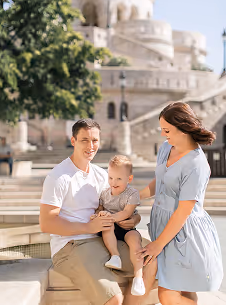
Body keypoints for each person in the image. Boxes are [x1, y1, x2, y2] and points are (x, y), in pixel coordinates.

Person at [40, 118, 157, 305]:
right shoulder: (58, 176)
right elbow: (47, 223)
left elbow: (119, 206)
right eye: (84, 140)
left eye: (95, 140)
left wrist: (133, 219)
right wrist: (88, 227)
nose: (91, 145)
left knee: (150, 260)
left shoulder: (102, 175)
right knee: (113, 300)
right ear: (73, 141)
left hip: (101, 239)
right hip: (71, 246)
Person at [137, 102, 223, 305]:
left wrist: (158, 245)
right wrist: (132, 197)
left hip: (184, 232)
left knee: (167, 294)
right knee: (184, 289)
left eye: (166, 130)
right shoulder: (166, 148)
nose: (162, 135)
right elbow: (159, 183)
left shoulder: (196, 164)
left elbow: (183, 211)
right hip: (165, 227)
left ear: (183, 129)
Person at [91, 155, 145, 296]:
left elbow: (127, 213)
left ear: (129, 179)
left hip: (126, 226)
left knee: (134, 239)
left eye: (119, 179)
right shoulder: (104, 193)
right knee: (107, 226)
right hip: (110, 225)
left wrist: (111, 217)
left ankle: (138, 277)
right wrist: (98, 215)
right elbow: (100, 209)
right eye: (111, 178)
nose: (113, 182)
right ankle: (115, 256)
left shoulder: (132, 194)